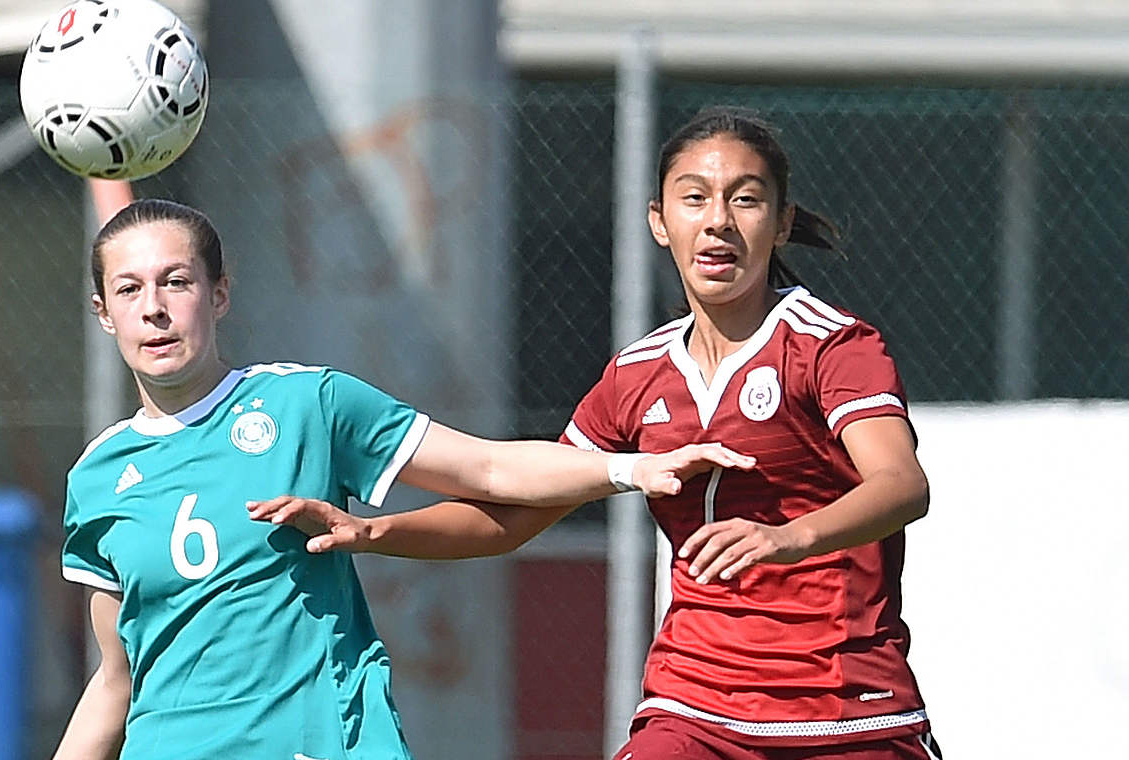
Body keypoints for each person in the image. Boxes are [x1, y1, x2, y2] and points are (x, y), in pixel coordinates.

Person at [250, 106, 941, 759]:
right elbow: (517, 514)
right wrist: (375, 533)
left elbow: (902, 485)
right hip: (694, 705)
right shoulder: (637, 375)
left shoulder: (831, 345)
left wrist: (790, 537)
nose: (719, 223)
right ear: (660, 221)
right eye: (694, 198)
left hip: (845, 705)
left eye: (746, 199)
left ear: (782, 223)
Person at [52, 197, 758, 760]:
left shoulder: (308, 405)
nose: (154, 306)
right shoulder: (97, 478)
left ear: (220, 294)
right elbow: (118, 679)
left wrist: (633, 468)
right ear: (103, 314)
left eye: (177, 281)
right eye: (129, 288)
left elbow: (486, 466)